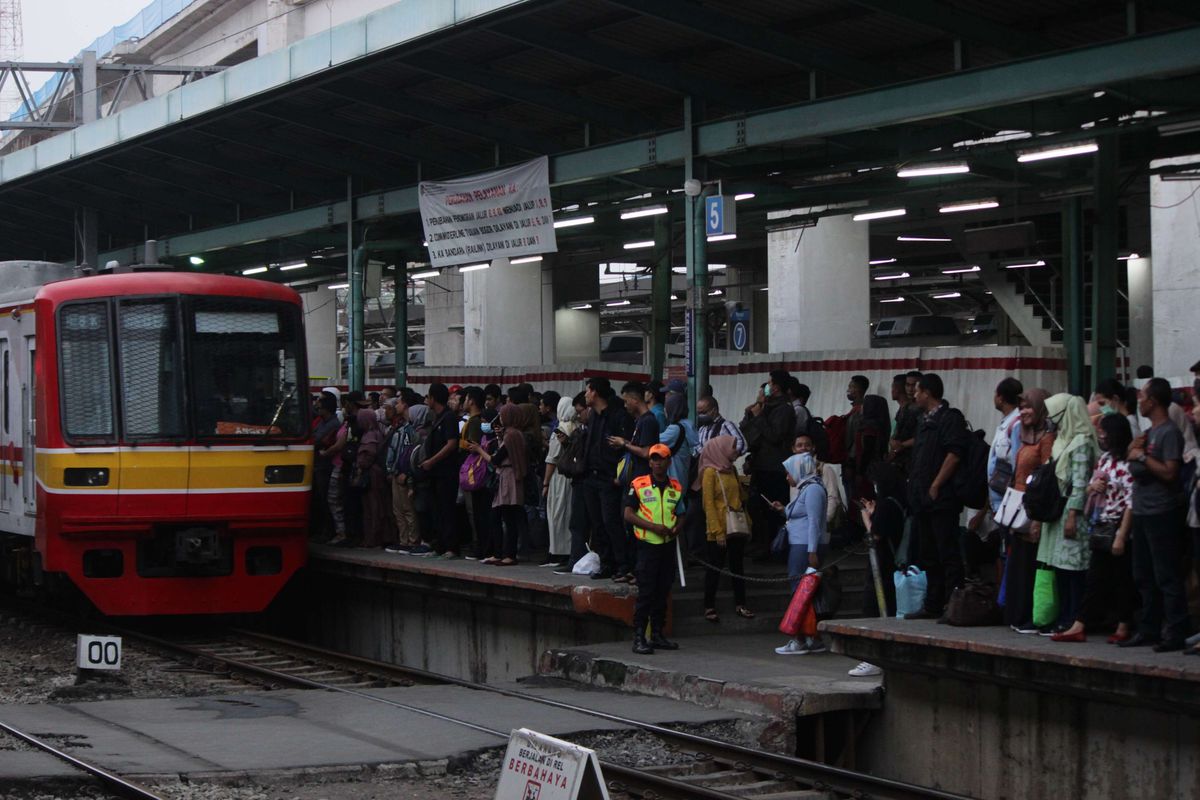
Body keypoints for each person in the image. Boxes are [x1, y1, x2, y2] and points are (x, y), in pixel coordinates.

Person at [1052, 413, 1137, 643]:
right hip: (1101, 526)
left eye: (1105, 432)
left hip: (1119, 528)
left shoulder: (1128, 463)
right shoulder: (1105, 459)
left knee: (1122, 579)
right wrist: (1093, 487)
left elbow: (1131, 501)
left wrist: (1122, 535)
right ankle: (1080, 624)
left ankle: (1123, 625)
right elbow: (1090, 488)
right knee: (1095, 578)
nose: (1101, 436)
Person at [1121, 378, 1189, 651]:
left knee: (1167, 574)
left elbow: (1170, 471)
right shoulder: (1148, 433)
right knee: (1144, 574)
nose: (1139, 400)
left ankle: (1176, 629)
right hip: (1143, 510)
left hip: (1162, 511)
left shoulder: (1168, 433)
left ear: (1154, 401)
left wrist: (1140, 458)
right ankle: (1149, 628)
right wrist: (1134, 453)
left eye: (1143, 396)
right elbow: (1132, 458)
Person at [906, 373, 969, 619]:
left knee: (947, 550)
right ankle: (932, 603)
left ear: (928, 392)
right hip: (921, 498)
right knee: (928, 552)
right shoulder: (923, 421)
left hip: (942, 498)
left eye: (917, 390)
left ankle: (953, 603)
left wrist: (936, 484)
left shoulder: (950, 419)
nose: (914, 394)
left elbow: (954, 454)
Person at [1037, 393, 1098, 635]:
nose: (1050, 418)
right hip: (1057, 511)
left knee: (1073, 568)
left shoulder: (1081, 441)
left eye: (1053, 413)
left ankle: (1074, 617)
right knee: (1059, 566)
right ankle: (1063, 616)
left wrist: (1073, 513)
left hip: (1072, 512)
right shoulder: (1061, 439)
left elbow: (1081, 482)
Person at [624, 443, 687, 654]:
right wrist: (654, 528)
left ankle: (658, 635)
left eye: (660, 459)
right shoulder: (639, 484)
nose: (656, 463)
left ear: (669, 462)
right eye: (653, 459)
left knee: (663, 591)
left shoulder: (676, 487)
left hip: (667, 546)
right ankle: (639, 636)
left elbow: (682, 513)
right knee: (646, 592)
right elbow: (629, 514)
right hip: (646, 546)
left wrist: (676, 528)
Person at [1005, 388, 1054, 633]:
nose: (1023, 412)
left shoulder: (1047, 439)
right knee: (1018, 565)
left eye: (1029, 407)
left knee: (1029, 565)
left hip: (1033, 510)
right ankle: (1018, 614)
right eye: (1021, 407)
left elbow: (1046, 478)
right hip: (1018, 509)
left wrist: (1037, 519)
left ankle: (1032, 617)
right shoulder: (1024, 435)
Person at [771, 452, 829, 655]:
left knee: (800, 593)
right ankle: (811, 636)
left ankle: (800, 638)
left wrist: (812, 550)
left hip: (804, 546)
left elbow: (814, 521)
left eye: (788, 472)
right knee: (805, 592)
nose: (787, 477)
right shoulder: (806, 488)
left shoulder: (812, 489)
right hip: (802, 544)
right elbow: (801, 514)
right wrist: (783, 509)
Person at [580, 377, 633, 580]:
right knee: (597, 523)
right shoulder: (593, 415)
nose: (585, 395)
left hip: (608, 478)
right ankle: (606, 563)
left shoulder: (618, 416)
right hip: (591, 476)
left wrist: (617, 476)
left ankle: (623, 565)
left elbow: (624, 449)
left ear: (595, 393)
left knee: (611, 522)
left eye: (587, 390)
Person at [698, 435, 752, 623]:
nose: (735, 450)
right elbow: (709, 504)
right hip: (719, 528)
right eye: (732, 447)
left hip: (736, 526)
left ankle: (741, 603)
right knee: (715, 567)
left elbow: (740, 500)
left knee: (738, 566)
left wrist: (748, 524)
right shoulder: (710, 473)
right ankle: (709, 605)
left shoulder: (732, 471)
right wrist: (717, 531)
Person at [741, 370, 796, 554]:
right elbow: (751, 437)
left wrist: (759, 416)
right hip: (760, 465)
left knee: (772, 511)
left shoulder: (785, 410)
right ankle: (760, 544)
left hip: (775, 468)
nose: (766, 387)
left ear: (776, 387)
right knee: (756, 508)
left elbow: (774, 435)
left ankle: (775, 547)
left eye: (769, 383)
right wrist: (752, 413)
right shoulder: (764, 407)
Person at [478, 404, 528, 566]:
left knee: (507, 516)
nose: (500, 418)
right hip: (508, 476)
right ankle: (500, 553)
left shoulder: (511, 435)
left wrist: (479, 450)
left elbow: (496, 459)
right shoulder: (514, 434)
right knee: (504, 515)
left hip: (508, 477)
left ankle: (508, 554)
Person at [420, 383, 463, 559]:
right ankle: (439, 545)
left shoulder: (449, 418)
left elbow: (451, 443)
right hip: (434, 473)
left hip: (446, 472)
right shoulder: (435, 418)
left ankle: (451, 546)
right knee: (435, 510)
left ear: (433, 398)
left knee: (447, 509)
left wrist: (432, 460)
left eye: (428, 397)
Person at [541, 395, 577, 568]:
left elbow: (551, 460)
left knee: (555, 514)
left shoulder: (559, 430)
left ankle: (556, 552)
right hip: (572, 478)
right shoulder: (577, 427)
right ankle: (568, 550)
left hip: (558, 478)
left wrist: (546, 483)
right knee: (568, 513)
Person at [383, 396, 421, 554]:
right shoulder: (400, 429)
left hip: (404, 475)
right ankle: (403, 540)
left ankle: (412, 540)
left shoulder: (411, 431)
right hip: (395, 473)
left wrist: (407, 474)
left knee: (407, 508)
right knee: (397, 509)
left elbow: (411, 455)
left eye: (398, 402)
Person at [351, 408, 389, 548]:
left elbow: (368, 455)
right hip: (375, 474)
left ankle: (373, 537)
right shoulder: (376, 433)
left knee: (372, 507)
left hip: (372, 475)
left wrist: (361, 465)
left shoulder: (370, 436)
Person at [793, 434, 843, 527]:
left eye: (807, 445)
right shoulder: (793, 472)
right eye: (799, 445)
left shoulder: (825, 469)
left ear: (813, 447)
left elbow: (833, 498)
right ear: (794, 449)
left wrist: (825, 520)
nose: (803, 448)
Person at [311, 392, 341, 542]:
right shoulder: (320, 421)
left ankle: (328, 530)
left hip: (324, 466)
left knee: (325, 498)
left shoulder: (333, 424)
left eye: (320, 401)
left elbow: (317, 440)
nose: (317, 404)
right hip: (317, 464)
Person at [889, 373, 920, 473]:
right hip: (900, 460)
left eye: (914, 385)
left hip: (915, 460)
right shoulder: (905, 408)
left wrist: (902, 445)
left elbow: (923, 436)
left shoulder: (922, 409)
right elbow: (896, 432)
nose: (910, 389)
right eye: (908, 385)